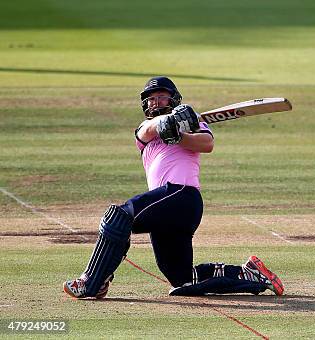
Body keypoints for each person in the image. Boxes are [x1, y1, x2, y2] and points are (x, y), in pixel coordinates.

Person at [63, 76, 283, 298]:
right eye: (150, 99)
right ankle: (249, 274)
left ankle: (92, 281)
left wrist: (178, 135)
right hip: (164, 210)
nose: (155, 102)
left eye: (161, 97)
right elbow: (149, 129)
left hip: (181, 196)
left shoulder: (196, 125)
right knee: (184, 282)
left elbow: (207, 144)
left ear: (173, 99)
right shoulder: (143, 130)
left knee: (118, 217)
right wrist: (165, 124)